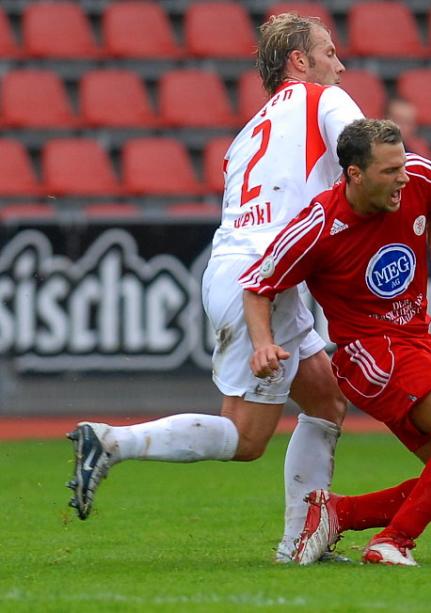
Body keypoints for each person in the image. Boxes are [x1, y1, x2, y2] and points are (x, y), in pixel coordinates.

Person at [66, 13, 362, 564]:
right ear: (299, 61)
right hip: (265, 278)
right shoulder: (324, 100)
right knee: (246, 438)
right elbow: (365, 151)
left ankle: (304, 540)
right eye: (329, 52)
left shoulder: (246, 134)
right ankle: (111, 441)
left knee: (326, 399)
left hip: (235, 267)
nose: (339, 65)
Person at [239, 118, 431, 566]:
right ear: (355, 174)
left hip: (415, 344)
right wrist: (262, 343)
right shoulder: (319, 226)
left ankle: (337, 513)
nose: (402, 177)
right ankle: (393, 541)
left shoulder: (417, 176)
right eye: (389, 170)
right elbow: (257, 287)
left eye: (402, 165)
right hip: (372, 355)